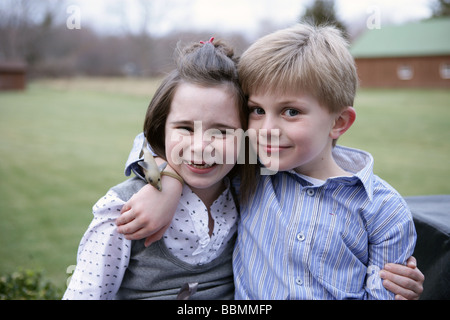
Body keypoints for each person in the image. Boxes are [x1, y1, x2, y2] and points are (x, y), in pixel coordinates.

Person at [117, 24, 424, 299]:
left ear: (339, 121)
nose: (267, 130)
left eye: (291, 112)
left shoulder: (384, 211)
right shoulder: (253, 168)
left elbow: (388, 293)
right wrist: (165, 181)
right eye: (257, 110)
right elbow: (155, 142)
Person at [63, 38, 255, 299]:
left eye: (221, 131)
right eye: (185, 128)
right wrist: (163, 177)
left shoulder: (250, 192)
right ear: (160, 130)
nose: (200, 147)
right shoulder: (123, 208)